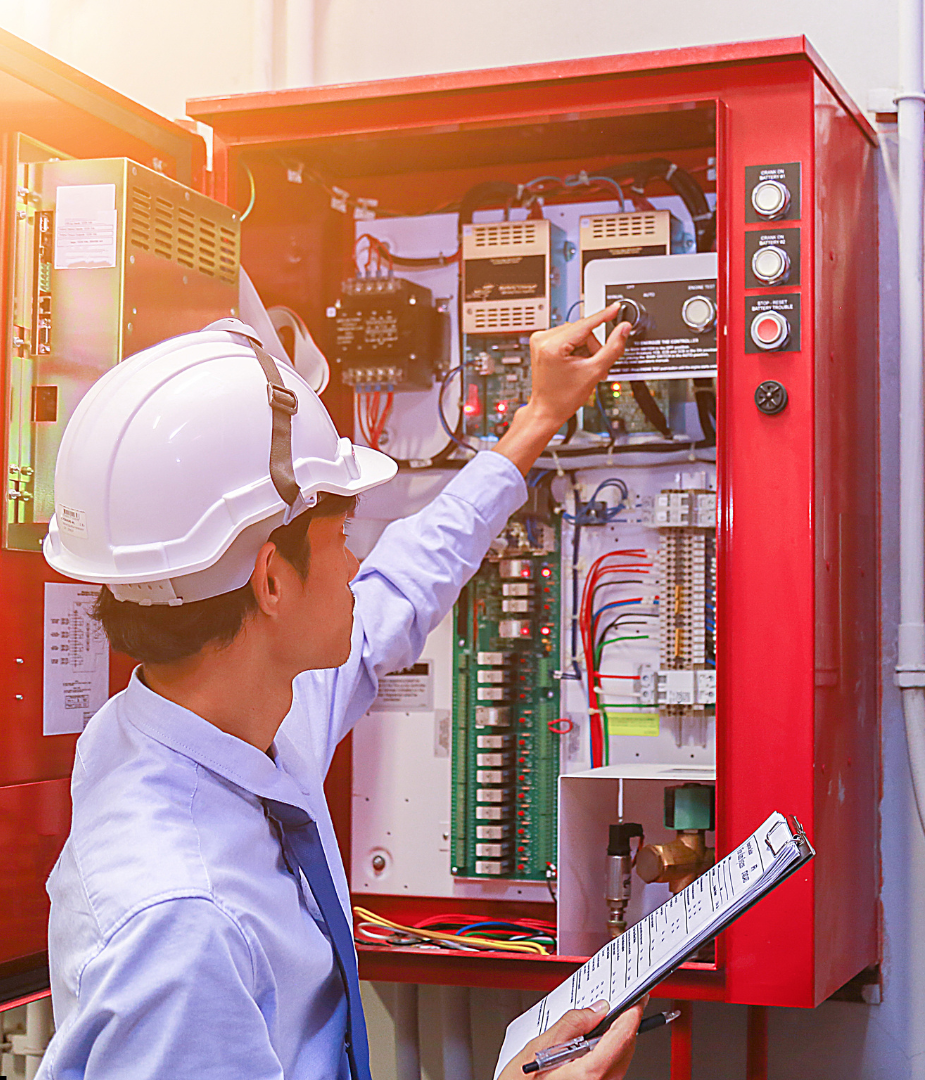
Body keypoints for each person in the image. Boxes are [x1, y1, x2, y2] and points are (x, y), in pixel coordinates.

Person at [37, 304, 639, 1079]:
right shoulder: (183, 926)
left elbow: (399, 590)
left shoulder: (210, 723)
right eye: (344, 536)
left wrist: (535, 422)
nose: (358, 562)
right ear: (272, 579)